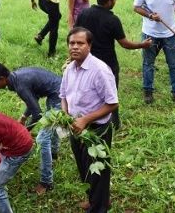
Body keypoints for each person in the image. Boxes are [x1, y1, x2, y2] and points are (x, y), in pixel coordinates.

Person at [75, 0, 152, 129]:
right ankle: (114, 124)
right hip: (107, 64)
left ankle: (88, 121)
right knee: (110, 95)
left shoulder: (84, 13)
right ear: (110, 1)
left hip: (86, 61)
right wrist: (143, 45)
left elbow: (75, 34)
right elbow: (124, 44)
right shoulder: (112, 19)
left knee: (89, 92)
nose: (115, 1)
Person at [60, 27, 118, 213]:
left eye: (80, 43)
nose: (75, 47)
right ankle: (96, 200)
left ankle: (98, 208)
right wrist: (65, 115)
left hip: (96, 129)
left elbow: (112, 103)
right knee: (85, 167)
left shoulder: (100, 70)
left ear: (89, 45)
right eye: (72, 43)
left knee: (98, 171)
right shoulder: (69, 68)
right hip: (75, 127)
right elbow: (63, 96)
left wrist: (85, 120)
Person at [0, 62, 62, 195]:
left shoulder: (19, 85)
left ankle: (46, 182)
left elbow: (37, 113)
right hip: (56, 92)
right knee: (51, 126)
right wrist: (24, 117)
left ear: (2, 79)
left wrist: (23, 131)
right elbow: (34, 98)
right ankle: (54, 154)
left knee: (42, 138)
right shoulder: (15, 78)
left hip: (60, 95)